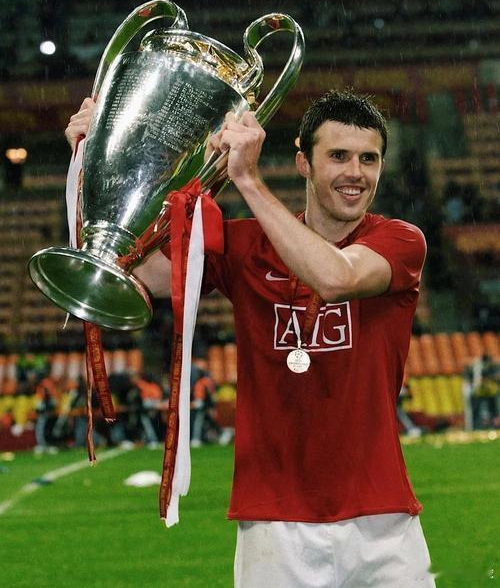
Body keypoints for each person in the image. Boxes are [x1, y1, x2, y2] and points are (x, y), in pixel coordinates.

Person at [66, 90, 435, 587]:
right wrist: (96, 165)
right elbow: (139, 277)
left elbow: (337, 277)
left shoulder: (400, 240)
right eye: (338, 156)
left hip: (382, 518)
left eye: (368, 159)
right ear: (304, 163)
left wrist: (248, 180)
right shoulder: (245, 246)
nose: (355, 173)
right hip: (274, 523)